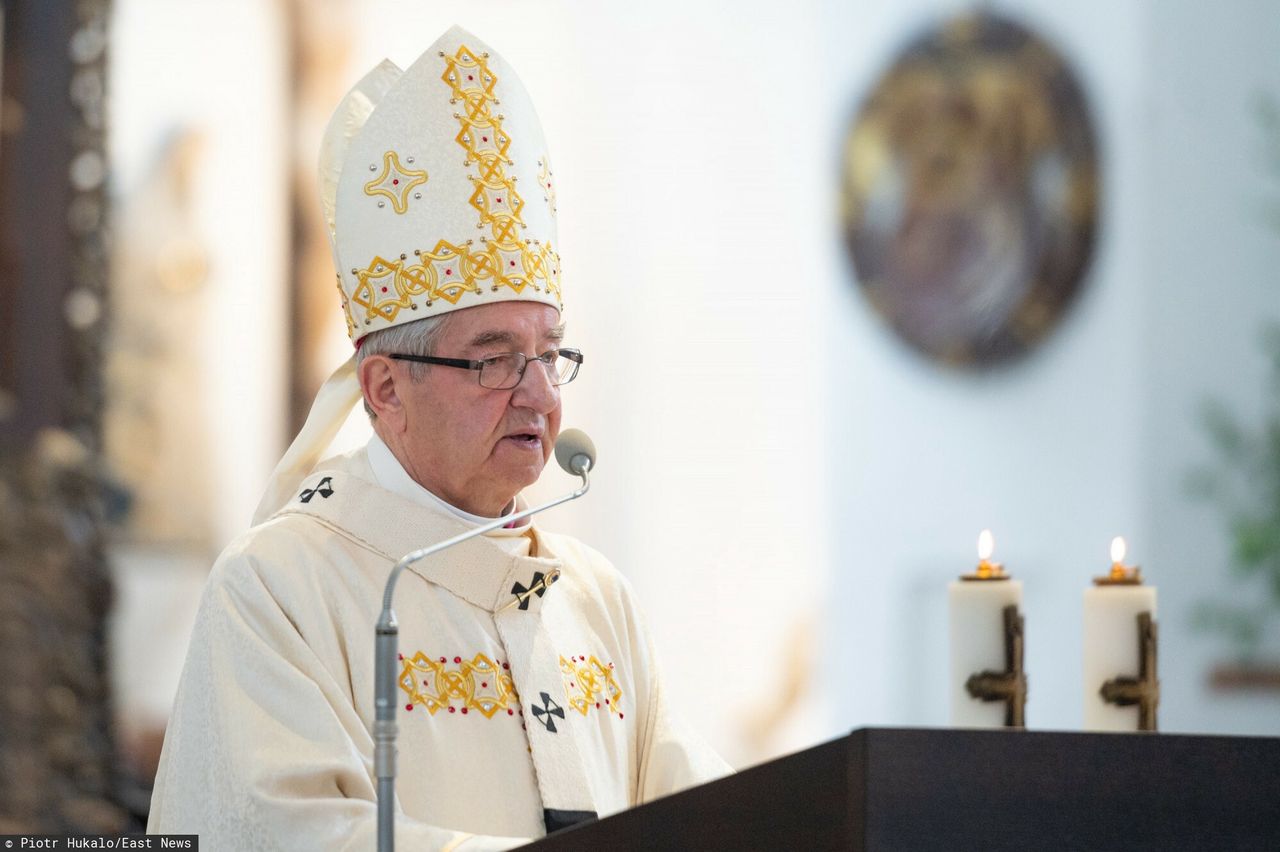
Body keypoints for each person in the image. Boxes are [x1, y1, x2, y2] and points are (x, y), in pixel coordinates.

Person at [147, 25, 730, 851]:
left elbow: (710, 819)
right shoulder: (279, 589)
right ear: (387, 389)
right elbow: (291, 835)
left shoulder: (596, 599)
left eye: (549, 353)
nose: (538, 395)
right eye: (494, 360)